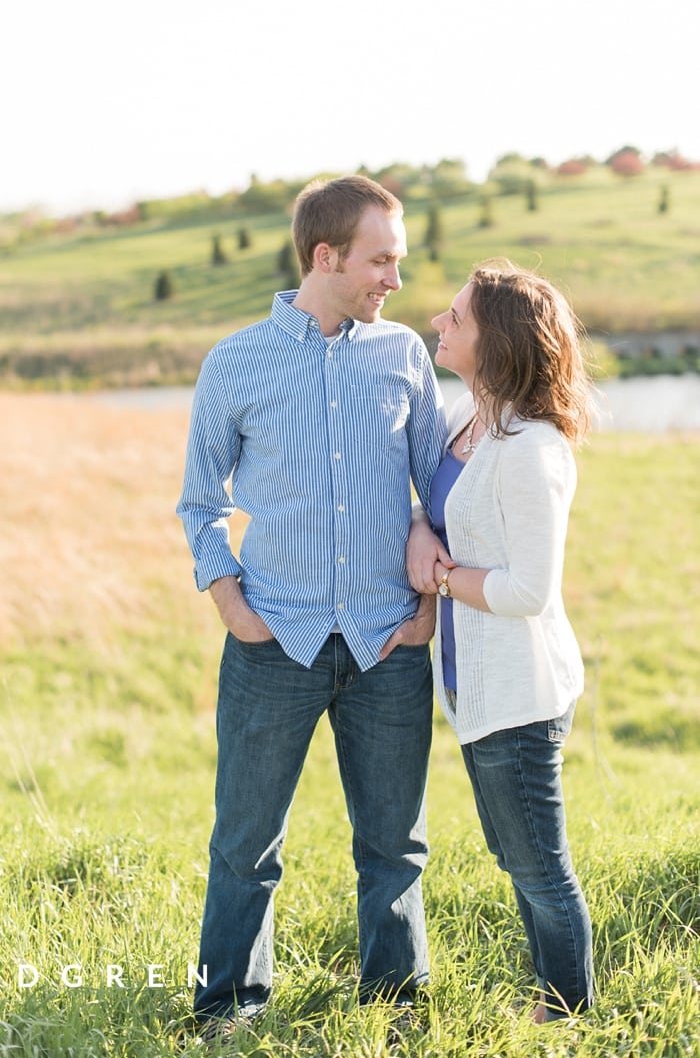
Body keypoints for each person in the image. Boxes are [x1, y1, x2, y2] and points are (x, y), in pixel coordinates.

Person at [176, 175, 447, 1030]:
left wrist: (429, 576)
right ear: (325, 256)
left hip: (387, 643)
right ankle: (228, 1007)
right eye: (380, 260)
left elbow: (436, 486)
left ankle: (396, 1006)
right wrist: (228, 598)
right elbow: (198, 501)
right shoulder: (234, 362)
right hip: (272, 642)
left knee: (394, 846)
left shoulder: (403, 354)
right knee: (244, 844)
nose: (393, 282)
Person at [414, 261, 596, 1021]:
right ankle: (555, 997)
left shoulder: (531, 449)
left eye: (456, 317)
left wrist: (442, 579)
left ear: (497, 340)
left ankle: (569, 1011)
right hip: (474, 686)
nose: (438, 323)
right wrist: (424, 531)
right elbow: (438, 504)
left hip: (519, 693)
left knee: (538, 867)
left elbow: (528, 589)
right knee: (515, 857)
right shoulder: (468, 412)